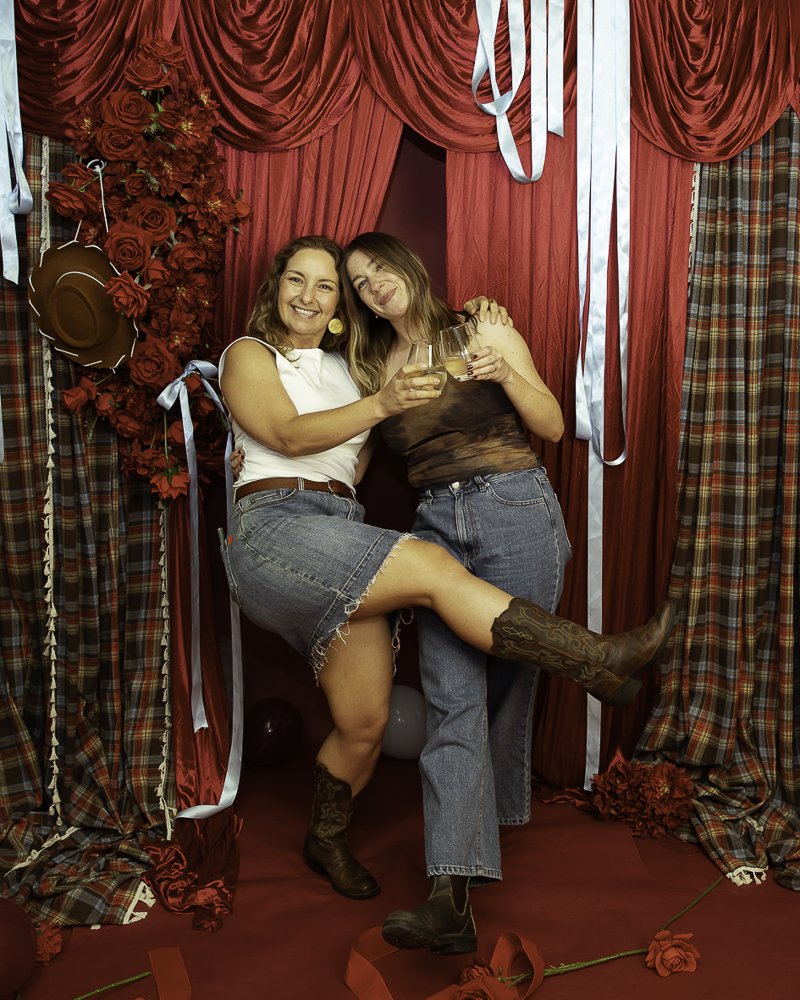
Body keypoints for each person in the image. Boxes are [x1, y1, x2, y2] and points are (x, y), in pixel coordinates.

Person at [219, 234, 672, 947]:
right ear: (278, 288)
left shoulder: (413, 349)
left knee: (381, 719)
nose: (339, 291)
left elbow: (365, 453)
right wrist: (260, 462)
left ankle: (411, 884)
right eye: (317, 280)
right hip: (333, 525)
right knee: (442, 634)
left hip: (445, 514)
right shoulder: (290, 359)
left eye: (339, 283)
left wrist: (494, 373)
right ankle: (599, 660)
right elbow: (292, 432)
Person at [338, 231, 638, 953]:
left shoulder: (482, 325)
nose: (374, 283)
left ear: (407, 265)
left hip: (514, 507)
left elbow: (552, 424)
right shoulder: (375, 367)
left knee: (508, 681)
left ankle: (490, 822)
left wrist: (506, 370)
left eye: (380, 266)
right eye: (359, 281)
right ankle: (451, 895)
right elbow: (344, 450)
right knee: (451, 698)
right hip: (435, 529)